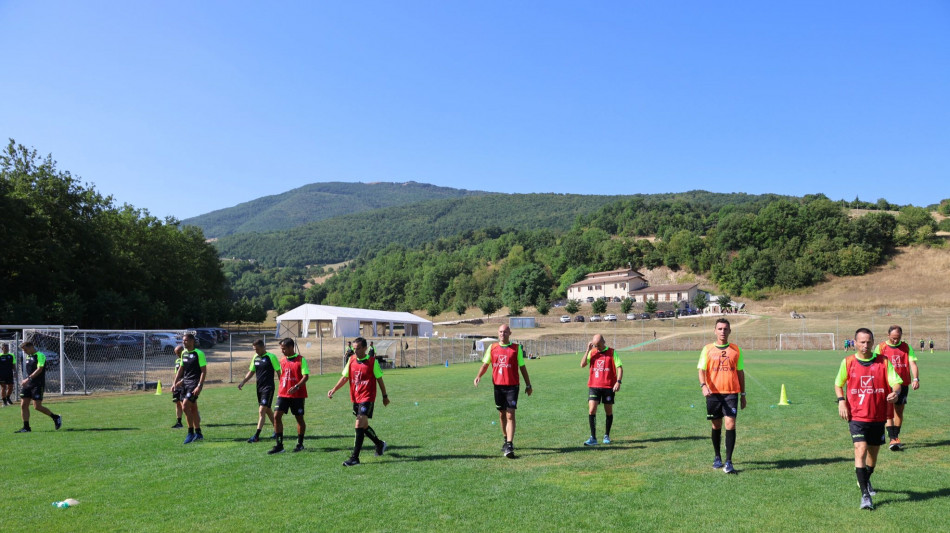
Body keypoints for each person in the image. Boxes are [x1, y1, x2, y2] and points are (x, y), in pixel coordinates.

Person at [835, 327, 902, 510]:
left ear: (873, 343)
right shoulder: (848, 362)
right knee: (860, 449)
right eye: (861, 342)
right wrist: (841, 401)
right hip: (856, 415)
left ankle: (866, 478)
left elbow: (896, 382)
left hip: (878, 415)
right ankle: (865, 496)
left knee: (873, 454)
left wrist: (895, 393)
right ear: (855, 343)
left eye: (868, 342)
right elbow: (838, 384)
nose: (865, 345)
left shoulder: (884, 362)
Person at [328, 336, 390, 466]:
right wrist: (334, 389)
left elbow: (380, 379)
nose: (355, 351)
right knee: (364, 426)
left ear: (365, 348)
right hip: (356, 397)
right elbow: (345, 377)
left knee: (358, 424)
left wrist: (385, 396)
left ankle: (354, 458)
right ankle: (379, 444)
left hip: (368, 397)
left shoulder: (373, 362)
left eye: (358, 348)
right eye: (354, 348)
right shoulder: (351, 360)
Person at [474, 324, 533, 459]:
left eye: (505, 332)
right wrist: (478, 376)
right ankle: (506, 439)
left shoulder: (516, 348)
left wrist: (528, 385)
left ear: (510, 333)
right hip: (498, 386)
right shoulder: (492, 348)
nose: (502, 334)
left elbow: (522, 367)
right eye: (500, 332)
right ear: (498, 333)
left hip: (512, 386)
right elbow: (485, 364)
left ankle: (510, 444)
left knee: (510, 414)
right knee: (502, 414)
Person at [697, 318, 745, 474]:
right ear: (715, 331)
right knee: (716, 425)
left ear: (730, 331)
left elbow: (740, 372)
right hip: (713, 394)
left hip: (731, 392)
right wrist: (703, 386)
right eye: (720, 329)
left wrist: (743, 394)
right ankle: (717, 456)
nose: (722, 331)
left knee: (730, 424)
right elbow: (701, 370)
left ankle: (729, 461)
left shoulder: (736, 350)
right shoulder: (707, 349)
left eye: (725, 329)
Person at [872, 325, 919, 451]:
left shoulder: (906, 347)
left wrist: (915, 378)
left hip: (903, 384)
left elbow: (912, 363)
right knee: (888, 411)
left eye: (898, 338)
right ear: (888, 336)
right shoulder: (881, 347)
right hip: (886, 384)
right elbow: (876, 364)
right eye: (893, 338)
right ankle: (893, 438)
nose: (895, 341)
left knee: (899, 410)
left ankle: (895, 436)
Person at [580, 334, 622, 446]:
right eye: (595, 345)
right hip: (594, 386)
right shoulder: (592, 352)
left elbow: (619, 367)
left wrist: (618, 382)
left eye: (598, 345)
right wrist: (587, 350)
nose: (596, 347)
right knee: (591, 410)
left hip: (608, 387)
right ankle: (593, 438)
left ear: (604, 342)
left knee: (608, 411)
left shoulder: (612, 352)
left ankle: (606, 435)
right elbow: (582, 364)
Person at [269, 338, 309, 454]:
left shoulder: (301, 360)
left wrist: (296, 386)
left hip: (297, 395)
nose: (282, 351)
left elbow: (305, 376)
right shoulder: (282, 360)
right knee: (276, 416)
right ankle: (279, 445)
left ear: (291, 347)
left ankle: (300, 444)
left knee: (299, 418)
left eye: (284, 348)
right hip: (283, 394)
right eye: (281, 349)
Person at [238, 339, 280, 443]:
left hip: (268, 387)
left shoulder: (271, 357)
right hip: (259, 388)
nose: (255, 351)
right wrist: (243, 381)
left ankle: (256, 436)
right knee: (267, 410)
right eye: (254, 349)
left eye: (257, 349)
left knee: (262, 410)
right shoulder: (255, 357)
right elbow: (251, 371)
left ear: (263, 347)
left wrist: (282, 387)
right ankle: (277, 431)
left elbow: (279, 372)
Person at [15, 341, 62, 432]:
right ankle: (26, 427)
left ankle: (55, 417)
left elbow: (40, 369)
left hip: (37, 384)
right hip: (28, 384)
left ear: (31, 347)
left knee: (37, 406)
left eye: (25, 349)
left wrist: (28, 379)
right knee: (23, 405)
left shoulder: (40, 355)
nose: (24, 352)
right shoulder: (28, 356)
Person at [172, 333, 206, 444]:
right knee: (193, 409)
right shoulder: (184, 354)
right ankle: (199, 433)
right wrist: (175, 383)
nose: (184, 342)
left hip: (194, 384)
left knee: (185, 406)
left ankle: (190, 433)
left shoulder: (199, 353)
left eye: (186, 340)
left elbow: (203, 371)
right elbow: (181, 369)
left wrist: (199, 385)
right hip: (185, 384)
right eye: (183, 340)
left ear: (192, 341)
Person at [170, 345, 185, 428]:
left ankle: (194, 417)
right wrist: (174, 384)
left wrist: (182, 381)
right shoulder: (177, 361)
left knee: (185, 404)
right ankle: (179, 422)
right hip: (177, 385)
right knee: (177, 403)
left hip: (185, 385)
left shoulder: (188, 360)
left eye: (179, 352)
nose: (177, 354)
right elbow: (176, 374)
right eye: (176, 353)